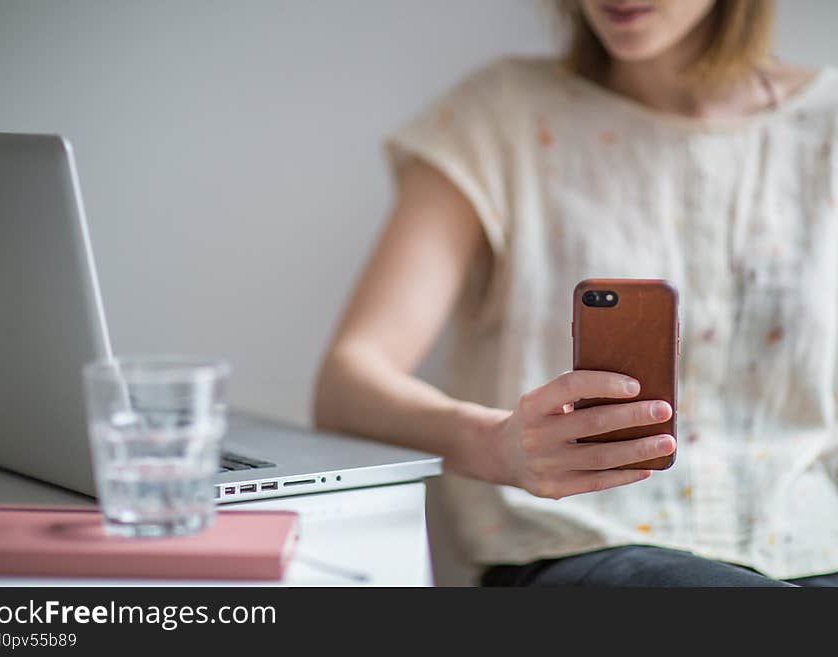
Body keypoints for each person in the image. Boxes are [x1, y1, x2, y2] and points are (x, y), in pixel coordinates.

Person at [313, 0, 838, 586]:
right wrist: (496, 446)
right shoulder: (501, 115)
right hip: (580, 549)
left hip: (815, 549)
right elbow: (346, 384)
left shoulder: (827, 125)